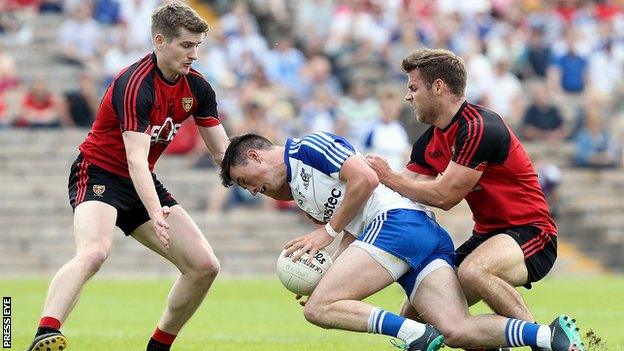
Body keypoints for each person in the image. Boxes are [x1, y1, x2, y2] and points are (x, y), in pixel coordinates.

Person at [219, 132, 584, 350]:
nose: (251, 191)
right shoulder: (297, 191)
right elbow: (352, 229)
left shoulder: (305, 148)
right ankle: (550, 338)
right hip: (416, 235)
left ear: (254, 155)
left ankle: (414, 334)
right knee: (455, 329)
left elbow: (365, 179)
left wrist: (325, 233)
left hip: (398, 223)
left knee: (318, 309)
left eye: (245, 180)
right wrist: (326, 271)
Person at [27, 3, 228, 351]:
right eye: (186, 45)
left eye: (197, 46)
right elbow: (135, 159)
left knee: (204, 266)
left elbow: (223, 153)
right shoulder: (135, 83)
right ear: (160, 41)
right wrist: (155, 212)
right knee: (94, 252)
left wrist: (275, 178)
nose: (194, 54)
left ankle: (158, 346)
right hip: (99, 172)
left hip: (142, 180)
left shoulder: (198, 88)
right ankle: (45, 332)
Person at [365, 48, 560, 345]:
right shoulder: (429, 141)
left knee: (473, 271)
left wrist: (388, 175)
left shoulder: (479, 127)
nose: (408, 97)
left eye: (413, 88)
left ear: (439, 87)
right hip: (488, 236)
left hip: (532, 233)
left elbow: (446, 196)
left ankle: (546, 340)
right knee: (419, 309)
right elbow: (398, 194)